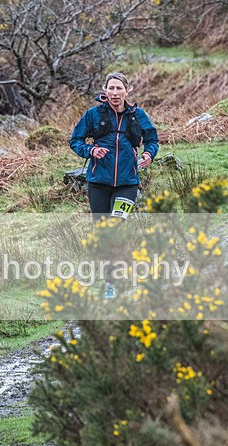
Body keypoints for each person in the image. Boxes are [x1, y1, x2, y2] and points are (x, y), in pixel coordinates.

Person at [69, 72, 159, 299]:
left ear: (127, 91)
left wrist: (149, 154)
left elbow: (152, 139)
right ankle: (111, 281)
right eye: (111, 88)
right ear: (105, 91)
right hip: (98, 184)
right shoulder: (93, 115)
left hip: (128, 184)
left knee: (117, 227)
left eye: (119, 88)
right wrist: (90, 151)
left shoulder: (138, 115)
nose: (115, 93)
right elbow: (75, 140)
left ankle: (117, 278)